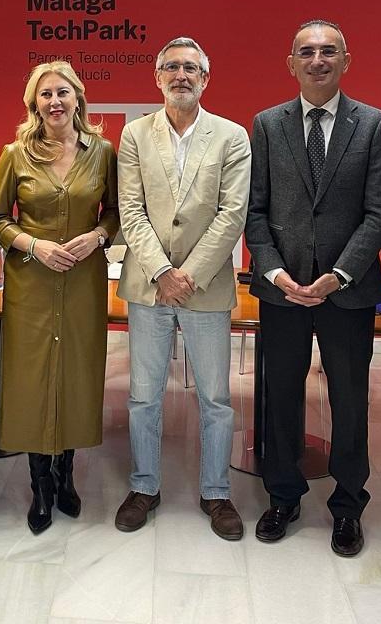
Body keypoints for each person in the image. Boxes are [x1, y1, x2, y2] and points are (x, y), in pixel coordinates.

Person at [245, 19, 381, 556]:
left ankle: (349, 504)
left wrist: (339, 274)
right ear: (291, 63)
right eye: (306, 52)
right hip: (282, 290)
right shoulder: (267, 124)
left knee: (349, 401)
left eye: (329, 51)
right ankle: (283, 496)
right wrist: (275, 272)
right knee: (280, 397)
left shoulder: (373, 124)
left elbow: (379, 212)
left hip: (346, 291)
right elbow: (255, 210)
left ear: (345, 61)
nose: (318, 60)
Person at [115, 37, 251, 541]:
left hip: (205, 287)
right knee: (143, 396)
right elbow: (130, 209)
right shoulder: (135, 135)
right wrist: (162, 272)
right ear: (157, 77)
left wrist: (187, 274)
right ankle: (144, 486)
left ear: (205, 78)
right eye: (171, 67)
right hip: (149, 286)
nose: (180, 75)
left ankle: (216, 492)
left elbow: (232, 213)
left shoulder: (231, 136)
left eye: (190, 68)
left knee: (215, 397)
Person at [0, 61, 119, 534]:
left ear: (78, 98)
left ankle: (66, 475)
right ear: (34, 103)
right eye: (45, 94)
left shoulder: (102, 152)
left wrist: (98, 237)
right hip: (32, 283)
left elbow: (116, 213)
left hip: (84, 282)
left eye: (63, 92)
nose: (55, 101)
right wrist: (33, 245)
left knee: (76, 375)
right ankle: (40, 485)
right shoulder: (15, 154)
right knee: (31, 379)